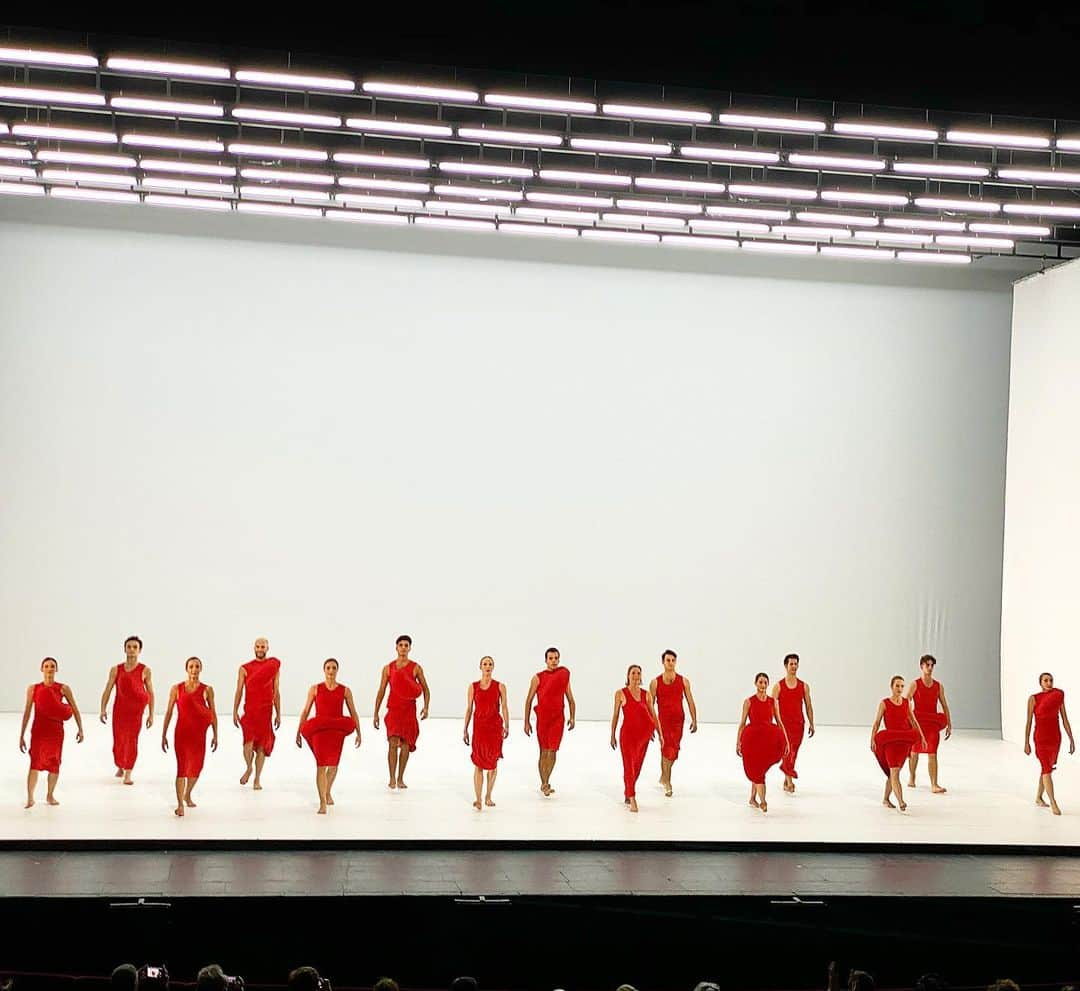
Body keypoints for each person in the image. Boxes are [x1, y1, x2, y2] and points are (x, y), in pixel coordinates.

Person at [297, 658, 362, 814]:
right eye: (328, 668)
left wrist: (359, 732)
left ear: (337, 670)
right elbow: (306, 711)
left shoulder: (345, 690)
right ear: (324, 670)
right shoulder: (315, 689)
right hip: (319, 730)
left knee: (333, 766)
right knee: (321, 765)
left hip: (336, 730)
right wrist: (298, 731)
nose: (331, 671)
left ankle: (327, 791)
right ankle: (322, 802)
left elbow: (353, 712)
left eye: (334, 668)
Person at [19, 657, 85, 808]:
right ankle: (30, 797)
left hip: (55, 732)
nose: (49, 668)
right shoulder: (33, 689)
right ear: (42, 669)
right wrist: (21, 735)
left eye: (52, 666)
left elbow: (74, 708)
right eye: (46, 666)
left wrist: (80, 729)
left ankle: (50, 795)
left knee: (54, 763)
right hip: (38, 731)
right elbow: (27, 712)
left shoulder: (63, 688)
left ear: (56, 669)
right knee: (34, 763)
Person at [160, 657, 218, 817]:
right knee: (182, 769)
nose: (194, 669)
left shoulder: (207, 690)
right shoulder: (176, 688)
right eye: (191, 666)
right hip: (182, 734)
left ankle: (187, 794)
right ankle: (180, 805)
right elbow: (169, 712)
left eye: (197, 666)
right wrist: (163, 734)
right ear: (186, 669)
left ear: (201, 669)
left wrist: (215, 734)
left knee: (196, 768)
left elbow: (213, 713)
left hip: (199, 734)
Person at [373, 635, 431, 789]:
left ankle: (400, 778)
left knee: (406, 744)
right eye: (401, 645)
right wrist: (376, 712)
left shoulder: (416, 667)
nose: (403, 647)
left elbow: (425, 688)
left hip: (409, 710)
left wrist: (426, 707)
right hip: (393, 708)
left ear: (410, 648)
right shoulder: (388, 668)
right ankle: (391, 778)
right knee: (392, 742)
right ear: (396, 647)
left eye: (406, 645)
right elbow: (381, 690)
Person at [99, 635, 154, 785]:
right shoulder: (116, 669)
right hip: (120, 710)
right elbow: (108, 689)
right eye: (129, 647)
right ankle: (120, 765)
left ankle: (128, 772)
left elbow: (151, 693)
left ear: (139, 650)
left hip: (136, 711)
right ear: (124, 649)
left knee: (132, 740)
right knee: (119, 740)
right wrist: (103, 708)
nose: (131, 650)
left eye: (135, 647)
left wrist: (151, 714)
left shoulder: (145, 670)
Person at [610, 664, 663, 813]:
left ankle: (628, 792)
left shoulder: (646, 694)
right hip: (627, 736)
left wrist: (660, 735)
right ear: (628, 676)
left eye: (638, 673)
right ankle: (632, 798)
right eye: (633, 673)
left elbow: (653, 715)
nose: (635, 676)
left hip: (643, 737)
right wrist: (612, 734)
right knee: (629, 766)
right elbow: (615, 715)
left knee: (637, 767)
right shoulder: (620, 693)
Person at [523, 647, 576, 796]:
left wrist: (572, 717)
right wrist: (526, 722)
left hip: (558, 718)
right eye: (550, 658)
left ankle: (546, 781)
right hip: (543, 718)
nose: (553, 661)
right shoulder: (538, 677)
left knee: (553, 750)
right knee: (543, 751)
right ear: (546, 660)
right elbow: (529, 700)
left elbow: (570, 698)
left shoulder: (564, 675)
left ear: (559, 660)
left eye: (556, 658)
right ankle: (544, 782)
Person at [870, 675, 927, 812]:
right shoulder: (884, 703)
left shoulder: (907, 703)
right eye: (897, 686)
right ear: (891, 687)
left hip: (903, 743)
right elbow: (877, 722)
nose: (900, 688)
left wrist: (922, 737)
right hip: (890, 742)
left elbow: (913, 721)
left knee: (893, 774)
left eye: (902, 686)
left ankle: (885, 799)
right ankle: (901, 801)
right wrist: (872, 738)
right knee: (894, 772)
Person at [736, 672, 789, 813]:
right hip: (752, 741)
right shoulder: (748, 701)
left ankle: (753, 798)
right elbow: (742, 723)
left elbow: (779, 722)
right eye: (760, 682)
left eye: (765, 682)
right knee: (757, 771)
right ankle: (763, 801)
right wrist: (738, 742)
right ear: (755, 683)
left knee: (758, 770)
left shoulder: (773, 702)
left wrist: (786, 741)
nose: (763, 685)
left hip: (768, 742)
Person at [232, 637, 281, 789]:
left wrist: (279, 713)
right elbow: (239, 690)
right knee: (247, 744)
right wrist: (234, 710)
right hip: (250, 711)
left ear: (267, 648)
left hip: (266, 711)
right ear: (254, 648)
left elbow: (276, 691)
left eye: (263, 646)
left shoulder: (273, 667)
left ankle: (257, 779)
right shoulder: (244, 668)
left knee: (261, 747)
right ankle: (249, 767)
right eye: (258, 646)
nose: (260, 649)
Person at [648, 649, 697, 797]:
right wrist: (651, 725)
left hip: (678, 721)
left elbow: (690, 700)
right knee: (666, 748)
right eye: (668, 660)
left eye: (673, 660)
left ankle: (663, 776)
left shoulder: (684, 681)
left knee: (673, 751)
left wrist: (694, 719)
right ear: (663, 662)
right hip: (663, 721)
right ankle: (667, 782)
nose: (670, 663)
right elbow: (650, 705)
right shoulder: (655, 682)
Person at [1024, 672, 1075, 815]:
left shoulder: (1058, 696)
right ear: (1040, 683)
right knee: (1046, 768)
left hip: (1055, 738)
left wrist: (1071, 738)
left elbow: (1065, 719)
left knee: (1046, 769)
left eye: (1051, 680)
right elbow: (1028, 721)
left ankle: (1039, 797)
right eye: (1045, 680)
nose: (1049, 683)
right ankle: (1053, 802)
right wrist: (1026, 742)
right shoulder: (1033, 699)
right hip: (1040, 738)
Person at [463, 656, 510, 810]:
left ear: (493, 667)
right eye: (485, 664)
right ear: (480, 666)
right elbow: (469, 708)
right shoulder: (473, 686)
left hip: (494, 728)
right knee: (478, 763)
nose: (487, 666)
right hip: (479, 729)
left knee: (493, 763)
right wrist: (465, 728)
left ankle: (488, 795)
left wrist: (507, 725)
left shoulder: (500, 686)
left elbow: (504, 707)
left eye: (490, 664)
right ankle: (478, 799)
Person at [905, 654, 952, 793]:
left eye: (932, 665)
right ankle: (912, 776)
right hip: (918, 722)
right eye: (927, 665)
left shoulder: (938, 686)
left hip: (932, 722)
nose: (930, 668)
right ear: (921, 667)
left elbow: (944, 704)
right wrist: (907, 720)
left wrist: (949, 723)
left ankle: (934, 784)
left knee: (932, 752)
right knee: (914, 751)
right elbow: (906, 702)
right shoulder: (915, 684)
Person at [771, 652, 815, 793]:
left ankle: (786, 779)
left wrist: (812, 723)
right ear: (786, 666)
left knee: (793, 753)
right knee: (787, 751)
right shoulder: (778, 686)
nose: (794, 666)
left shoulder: (804, 686)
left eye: (796, 664)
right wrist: (773, 725)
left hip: (799, 725)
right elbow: (771, 707)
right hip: (784, 726)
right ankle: (789, 782)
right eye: (791, 664)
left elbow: (808, 705)